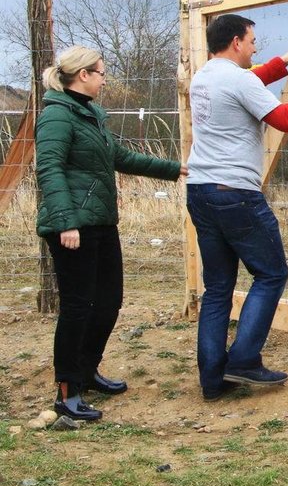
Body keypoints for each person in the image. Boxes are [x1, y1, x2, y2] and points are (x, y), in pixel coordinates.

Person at [35, 46, 186, 421]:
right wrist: (66, 221)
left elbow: (119, 157)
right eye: (101, 72)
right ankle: (67, 391)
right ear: (83, 75)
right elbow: (49, 169)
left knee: (108, 302)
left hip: (101, 223)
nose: (105, 78)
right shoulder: (57, 116)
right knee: (77, 307)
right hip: (72, 228)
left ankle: (87, 371)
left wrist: (175, 170)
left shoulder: (90, 115)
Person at [187, 14, 288, 400]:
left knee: (217, 288)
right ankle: (245, 360)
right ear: (236, 42)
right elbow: (287, 118)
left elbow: (249, 83)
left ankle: (213, 380)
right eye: (252, 41)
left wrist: (281, 64)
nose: (255, 47)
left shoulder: (203, 77)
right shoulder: (239, 79)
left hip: (200, 191)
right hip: (236, 193)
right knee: (271, 274)